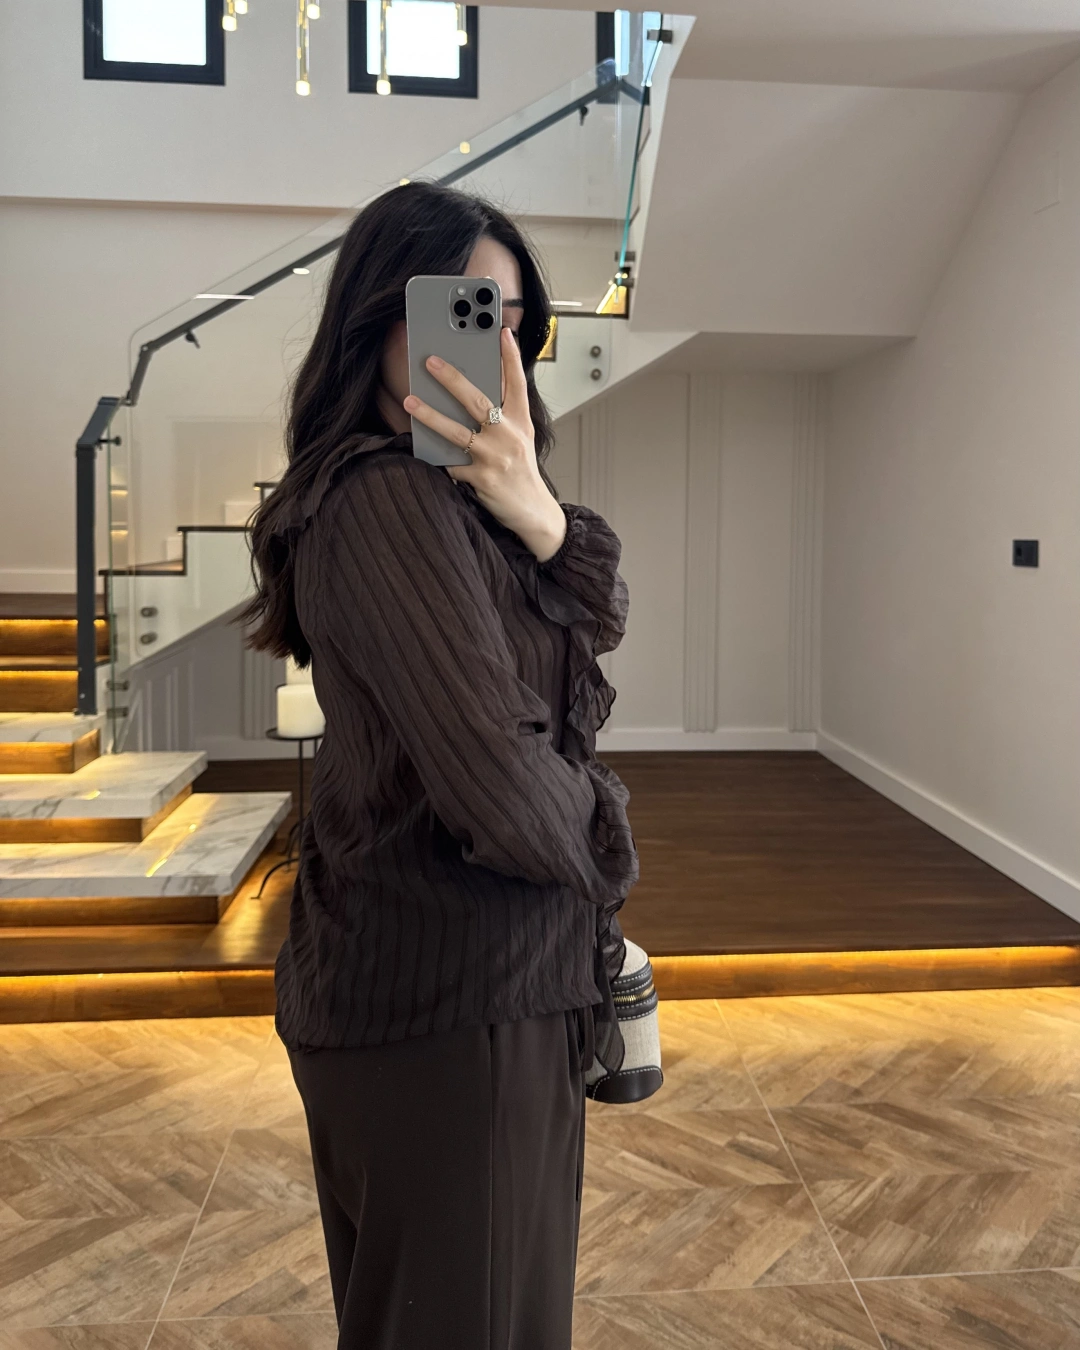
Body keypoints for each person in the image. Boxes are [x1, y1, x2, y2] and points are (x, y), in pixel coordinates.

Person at [243, 180, 639, 1350]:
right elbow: (500, 781)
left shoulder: (461, 499)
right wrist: (610, 846)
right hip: (451, 1007)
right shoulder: (384, 505)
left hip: (465, 990)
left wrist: (537, 510)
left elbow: (598, 615)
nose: (493, 345)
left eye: (514, 321)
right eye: (463, 310)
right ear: (381, 317)